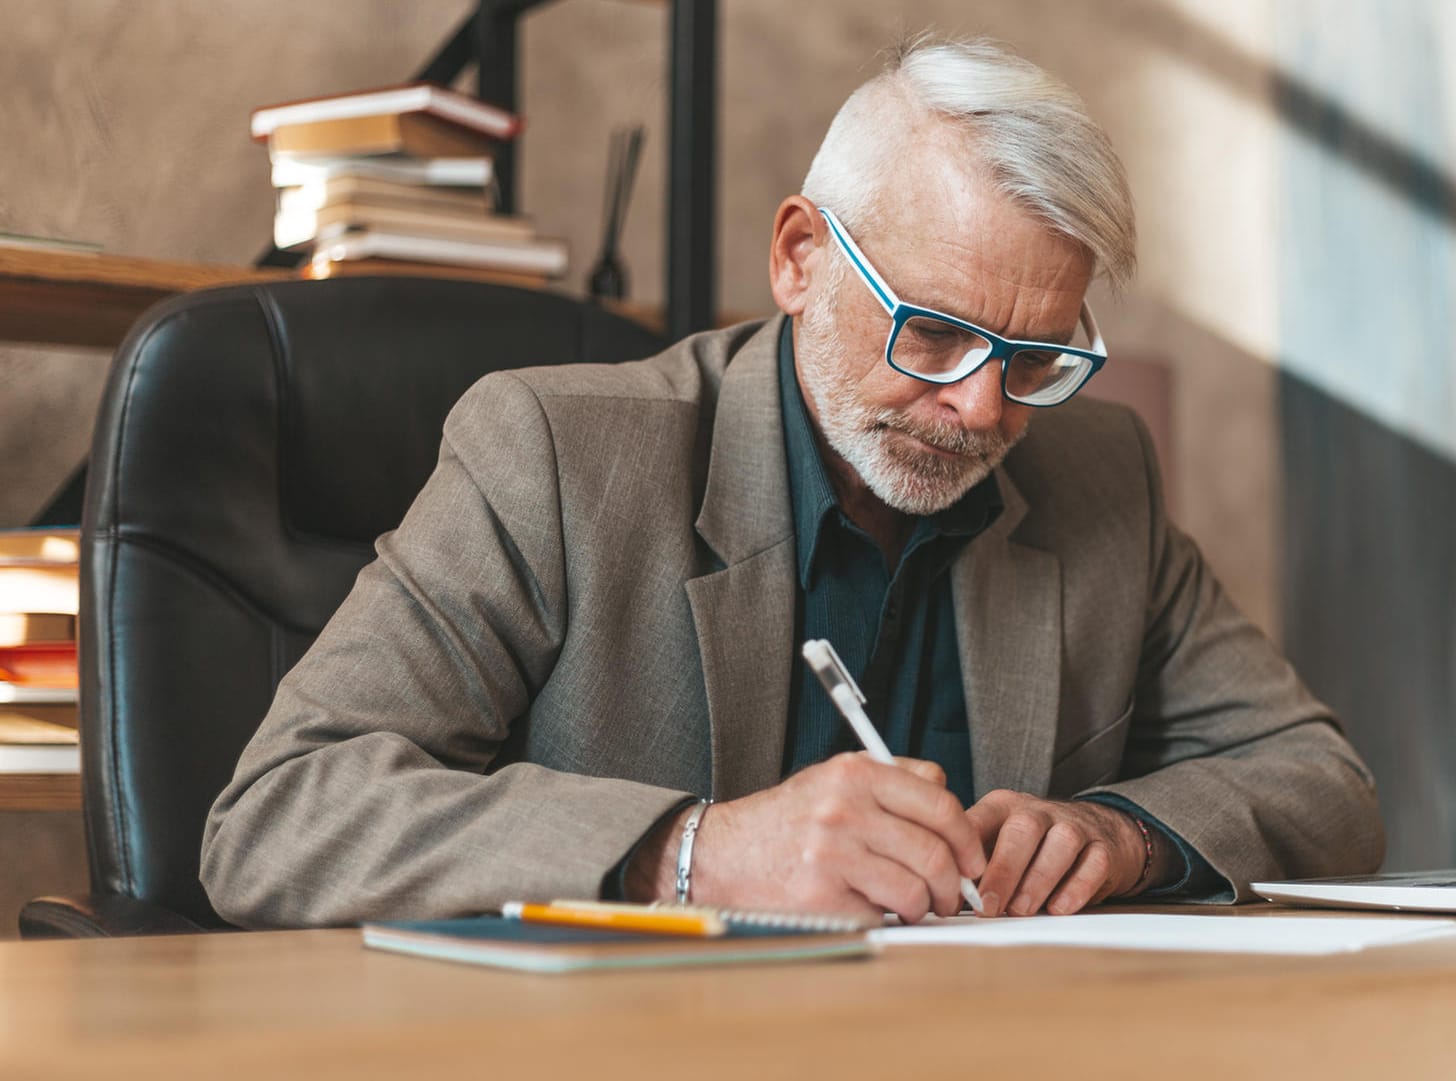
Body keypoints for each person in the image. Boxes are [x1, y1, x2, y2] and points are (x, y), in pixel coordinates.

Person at [200, 34, 1385, 928]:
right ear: (799, 259)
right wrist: (693, 853)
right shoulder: (555, 456)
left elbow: (1324, 783)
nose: (980, 406)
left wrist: (1120, 837)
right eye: (931, 335)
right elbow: (280, 813)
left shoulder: (1098, 472)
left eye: (1034, 358)